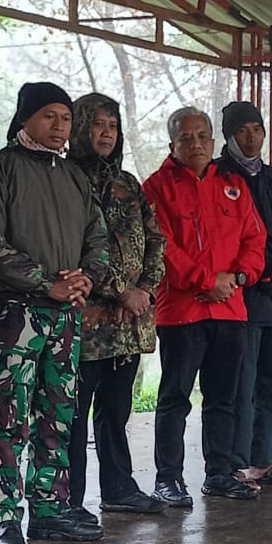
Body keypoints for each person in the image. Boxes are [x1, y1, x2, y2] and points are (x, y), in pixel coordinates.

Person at [0, 82, 109, 544]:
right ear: (26, 120)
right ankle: (4, 516)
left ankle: (50, 510)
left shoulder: (76, 176)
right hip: (16, 313)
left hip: (65, 317)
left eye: (66, 118)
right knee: (8, 413)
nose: (60, 127)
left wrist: (85, 280)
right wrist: (43, 281)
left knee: (58, 413)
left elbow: (98, 238)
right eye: (49, 117)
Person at [142, 106, 266, 505]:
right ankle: (168, 479)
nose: (195, 143)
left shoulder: (233, 184)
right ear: (172, 144)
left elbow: (254, 239)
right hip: (182, 312)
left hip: (230, 309)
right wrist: (205, 280)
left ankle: (219, 474)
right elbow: (161, 246)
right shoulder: (156, 187)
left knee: (223, 398)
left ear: (213, 143)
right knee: (175, 398)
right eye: (185, 138)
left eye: (202, 137)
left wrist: (238, 278)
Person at [66, 92, 167, 519]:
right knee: (73, 413)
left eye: (112, 126)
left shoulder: (128, 184)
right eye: (96, 125)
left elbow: (156, 240)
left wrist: (143, 289)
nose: (105, 134)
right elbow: (73, 249)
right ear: (80, 128)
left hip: (128, 325)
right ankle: (68, 499)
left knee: (117, 411)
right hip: (85, 325)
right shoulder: (66, 179)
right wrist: (120, 290)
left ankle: (119, 488)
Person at [217, 101, 272, 490]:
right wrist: (262, 267)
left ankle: (264, 459)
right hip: (242, 295)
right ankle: (238, 464)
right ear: (229, 136)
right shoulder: (221, 176)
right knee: (244, 382)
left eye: (257, 129)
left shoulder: (270, 177)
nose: (251, 137)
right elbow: (233, 235)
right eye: (242, 131)